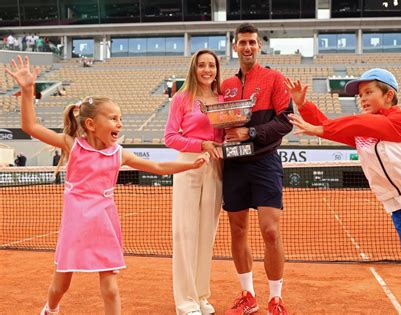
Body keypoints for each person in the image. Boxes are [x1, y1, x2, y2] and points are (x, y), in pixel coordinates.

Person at [5, 55, 210, 315]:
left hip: (105, 224)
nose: (119, 124)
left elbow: (158, 167)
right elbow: (30, 126)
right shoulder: (72, 145)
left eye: (120, 118)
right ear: (91, 124)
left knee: (111, 287)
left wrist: (189, 165)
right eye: (113, 118)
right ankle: (51, 309)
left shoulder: (119, 153)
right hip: (75, 224)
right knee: (61, 284)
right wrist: (26, 91)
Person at [285, 68, 401, 315]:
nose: (361, 99)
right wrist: (304, 104)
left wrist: (321, 130)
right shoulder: (363, 133)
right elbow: (330, 126)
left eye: (368, 92)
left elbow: (356, 123)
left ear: (388, 95)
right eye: (359, 95)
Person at [220, 23, 293, 315]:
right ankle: (247, 296)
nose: (247, 47)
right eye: (242, 43)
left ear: (259, 45)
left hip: (265, 162)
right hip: (233, 165)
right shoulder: (225, 86)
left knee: (270, 231)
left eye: (252, 42)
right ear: (235, 47)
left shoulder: (274, 79)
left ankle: (276, 298)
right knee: (237, 230)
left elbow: (286, 121)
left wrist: (249, 133)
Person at [164, 49, 224, 315]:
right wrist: (200, 144)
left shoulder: (223, 99)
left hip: (216, 166)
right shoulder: (181, 98)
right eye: (202, 65)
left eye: (211, 65)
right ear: (194, 68)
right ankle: (186, 302)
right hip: (187, 164)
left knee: (206, 235)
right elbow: (170, 137)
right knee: (185, 233)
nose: (207, 70)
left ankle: (201, 296)